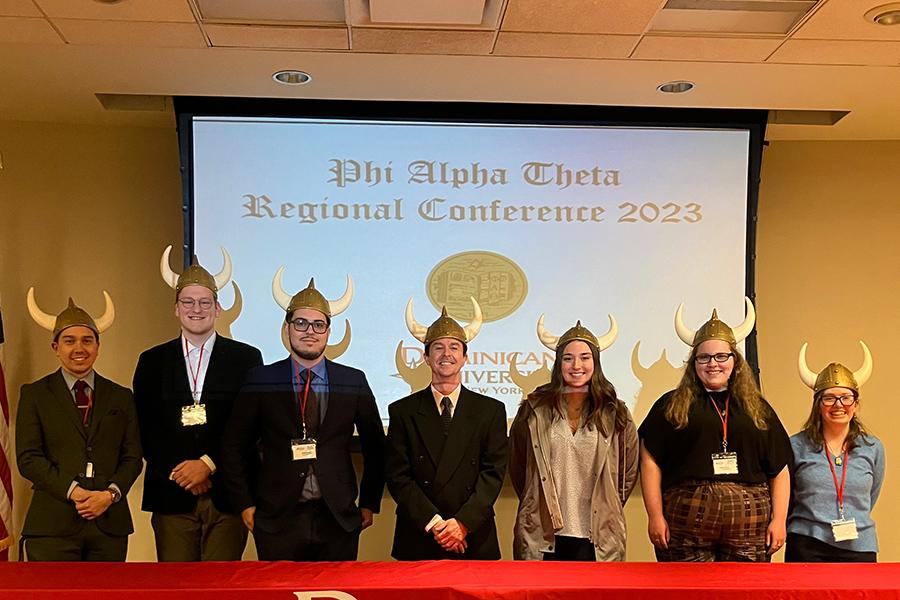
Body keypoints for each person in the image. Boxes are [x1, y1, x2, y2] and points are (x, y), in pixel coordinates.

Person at [221, 274, 385, 561]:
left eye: (318, 324)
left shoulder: (353, 380)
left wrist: (369, 503)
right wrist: (244, 503)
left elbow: (376, 447)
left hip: (338, 518)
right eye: (301, 323)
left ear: (328, 332)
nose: (310, 331)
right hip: (277, 517)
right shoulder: (261, 379)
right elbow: (233, 446)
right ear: (287, 328)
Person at [132, 247, 263, 561]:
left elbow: (250, 427)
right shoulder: (152, 361)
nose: (196, 309)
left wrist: (207, 464)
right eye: (187, 302)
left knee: (222, 590)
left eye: (205, 302)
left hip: (229, 494)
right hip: (171, 493)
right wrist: (183, 473)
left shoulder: (246, 359)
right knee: (177, 590)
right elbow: (145, 428)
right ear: (176, 309)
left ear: (218, 308)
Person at [639, 298, 791, 562]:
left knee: (745, 594)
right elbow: (649, 460)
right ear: (693, 363)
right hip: (687, 520)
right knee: (685, 593)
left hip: (749, 522)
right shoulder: (671, 404)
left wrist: (779, 520)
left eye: (721, 356)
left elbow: (779, 468)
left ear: (735, 361)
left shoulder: (758, 408)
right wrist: (655, 515)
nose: (713, 364)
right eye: (704, 357)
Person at [17, 290, 142, 561]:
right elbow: (28, 458)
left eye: (87, 340)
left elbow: (132, 458)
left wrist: (109, 495)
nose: (79, 349)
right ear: (56, 347)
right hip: (51, 526)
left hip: (109, 526)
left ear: (98, 346)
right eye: (69, 341)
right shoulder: (35, 394)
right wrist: (74, 491)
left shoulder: (121, 396)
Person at [385, 298, 508, 560]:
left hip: (473, 534)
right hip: (420, 534)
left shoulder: (491, 410)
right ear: (426, 358)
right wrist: (437, 525)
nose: (446, 354)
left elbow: (493, 474)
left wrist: (462, 524)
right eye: (438, 348)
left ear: (465, 357)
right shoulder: (402, 411)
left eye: (454, 347)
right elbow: (398, 476)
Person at [509, 316, 638, 561]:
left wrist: (608, 503)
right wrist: (533, 501)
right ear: (558, 364)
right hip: (544, 536)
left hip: (597, 537)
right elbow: (518, 466)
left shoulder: (615, 412)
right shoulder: (534, 409)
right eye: (568, 358)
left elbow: (627, 473)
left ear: (596, 363)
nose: (576, 365)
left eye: (585, 357)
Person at [786, 341, 884, 562]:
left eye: (846, 397)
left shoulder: (873, 447)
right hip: (806, 546)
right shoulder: (795, 446)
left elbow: (871, 495)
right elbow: (787, 497)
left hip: (859, 547)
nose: (838, 405)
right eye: (829, 398)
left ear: (856, 404)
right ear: (818, 405)